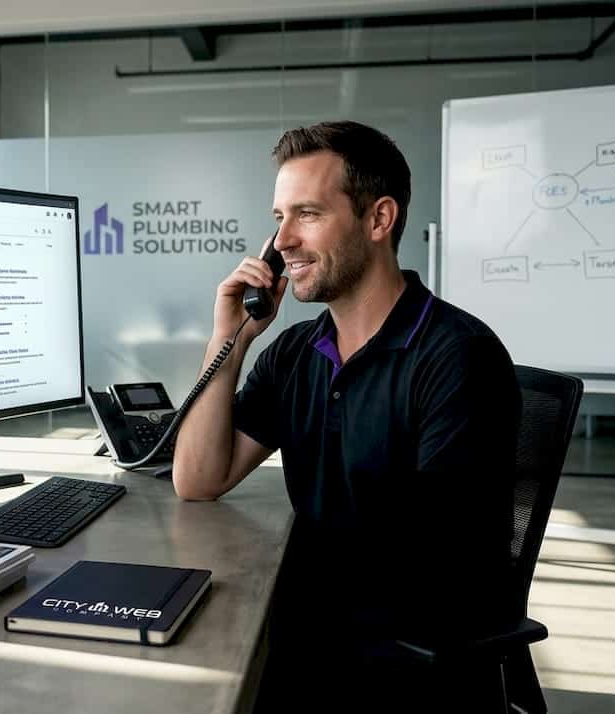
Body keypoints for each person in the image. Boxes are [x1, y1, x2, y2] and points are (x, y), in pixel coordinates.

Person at [171, 121, 521, 708]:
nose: (282, 241)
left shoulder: (458, 356)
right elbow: (199, 479)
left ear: (379, 219)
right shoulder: (295, 352)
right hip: (323, 629)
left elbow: (434, 564)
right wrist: (229, 340)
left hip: (401, 660)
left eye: (307, 214)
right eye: (279, 218)